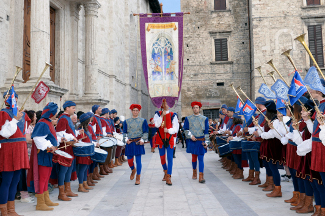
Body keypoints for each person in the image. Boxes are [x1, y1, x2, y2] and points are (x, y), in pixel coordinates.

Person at [0, 90, 31, 215]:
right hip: (8, 149)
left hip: (20, 148)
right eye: (6, 97)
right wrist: (15, 119)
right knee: (7, 181)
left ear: (16, 99)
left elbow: (24, 132)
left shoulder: (22, 114)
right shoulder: (3, 113)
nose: (9, 99)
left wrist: (18, 117)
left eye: (11, 97)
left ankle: (11, 209)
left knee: (15, 181)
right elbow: (5, 133)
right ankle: (4, 210)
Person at [27, 102, 60, 211]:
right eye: (55, 112)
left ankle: (46, 199)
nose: (56, 114)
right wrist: (50, 147)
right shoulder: (43, 123)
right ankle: (40, 203)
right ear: (52, 113)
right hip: (43, 155)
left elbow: (50, 137)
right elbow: (37, 138)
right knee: (42, 178)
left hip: (48, 154)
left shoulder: (47, 122)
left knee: (46, 178)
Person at [55, 101, 79, 201]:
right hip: (64, 147)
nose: (74, 110)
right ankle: (61, 193)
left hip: (69, 147)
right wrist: (69, 140)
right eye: (73, 108)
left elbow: (68, 132)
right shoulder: (63, 118)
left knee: (69, 169)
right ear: (67, 108)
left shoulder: (67, 118)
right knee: (64, 170)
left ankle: (67, 189)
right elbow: (60, 133)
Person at [153, 101, 179, 185]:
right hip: (160, 139)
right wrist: (162, 116)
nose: (166, 105)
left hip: (170, 139)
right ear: (162, 104)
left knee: (170, 158)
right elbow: (156, 125)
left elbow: (176, 128)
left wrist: (168, 130)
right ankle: (165, 170)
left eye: (168, 103)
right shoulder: (157, 114)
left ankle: (168, 176)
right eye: (164, 103)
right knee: (162, 158)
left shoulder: (173, 115)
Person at [184, 101, 209, 183]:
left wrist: (207, 142)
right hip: (193, 140)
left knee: (201, 158)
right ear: (192, 109)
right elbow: (186, 130)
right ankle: (194, 172)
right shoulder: (188, 118)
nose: (195, 109)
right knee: (194, 158)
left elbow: (206, 132)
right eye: (194, 107)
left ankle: (201, 176)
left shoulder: (204, 118)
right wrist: (191, 136)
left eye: (197, 107)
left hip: (201, 141)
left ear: (199, 108)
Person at [123, 104, 148, 185]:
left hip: (138, 142)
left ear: (139, 111)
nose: (135, 112)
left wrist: (142, 140)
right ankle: (133, 169)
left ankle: (138, 176)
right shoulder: (126, 121)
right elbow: (124, 132)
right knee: (130, 161)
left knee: (138, 160)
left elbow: (145, 132)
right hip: (130, 142)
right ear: (131, 111)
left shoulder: (143, 120)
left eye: (137, 110)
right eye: (134, 110)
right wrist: (126, 140)